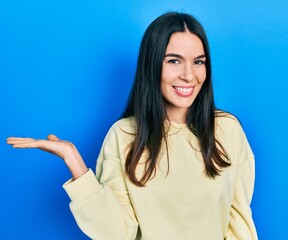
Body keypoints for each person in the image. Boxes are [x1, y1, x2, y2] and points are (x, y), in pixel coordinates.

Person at [7, 12, 257, 240]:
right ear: (152, 64)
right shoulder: (124, 136)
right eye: (174, 61)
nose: (189, 75)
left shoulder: (227, 130)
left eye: (199, 62)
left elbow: (240, 226)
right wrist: (75, 162)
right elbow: (117, 233)